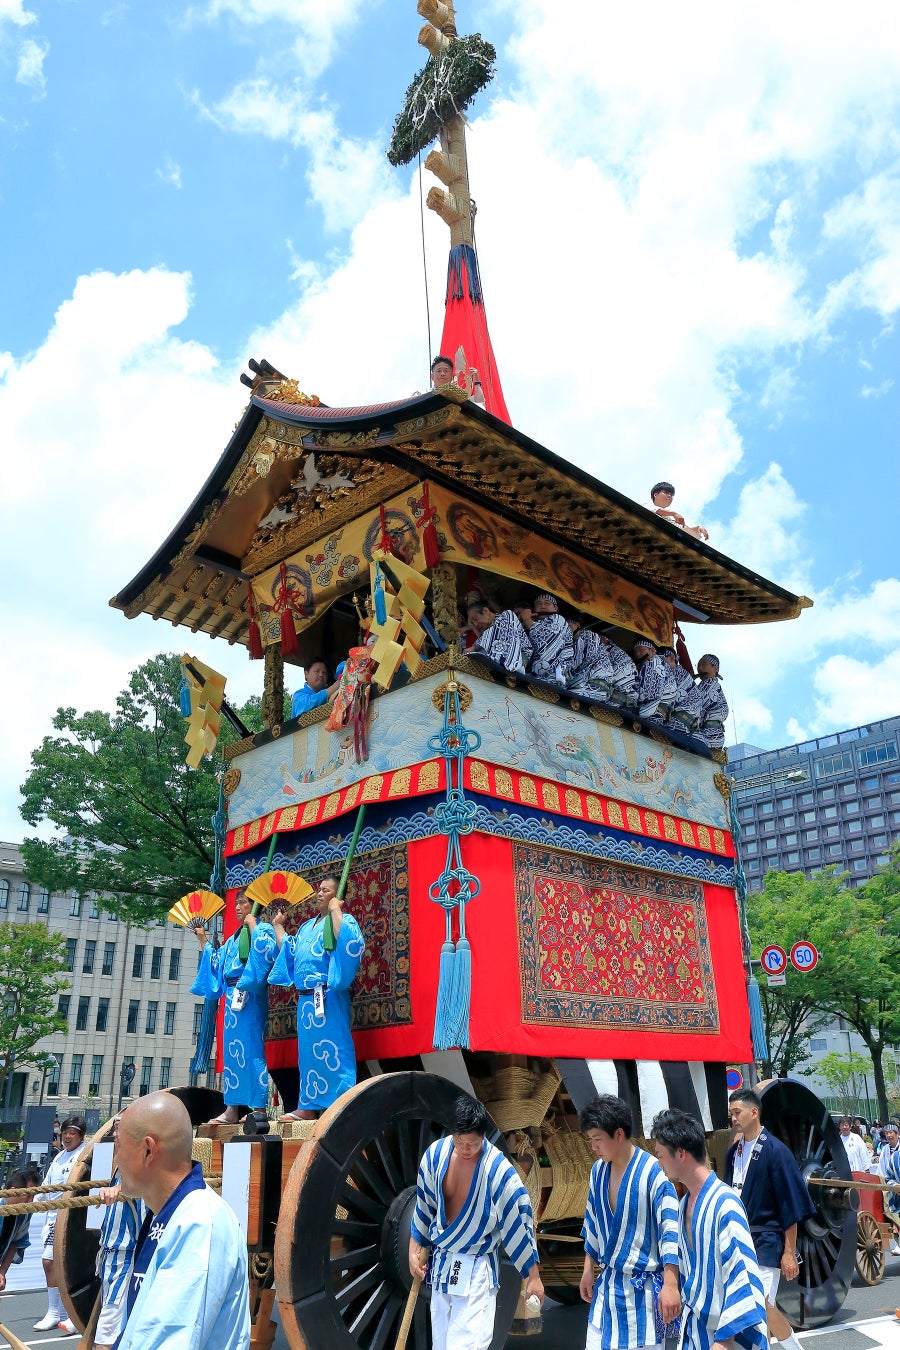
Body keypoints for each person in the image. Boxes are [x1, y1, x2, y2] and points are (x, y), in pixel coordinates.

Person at [112, 1091, 249, 1350]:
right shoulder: (171, 1213)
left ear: (148, 1150)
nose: (116, 1160)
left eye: (119, 1147)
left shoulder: (199, 1223)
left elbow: (169, 1340)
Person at [410, 1093, 543, 1350]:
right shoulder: (435, 1156)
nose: (466, 1148)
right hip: (442, 1267)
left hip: (476, 1270)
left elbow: (519, 1222)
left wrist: (533, 1276)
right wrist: (414, 1247)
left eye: (472, 1143)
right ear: (452, 1134)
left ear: (483, 1136)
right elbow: (423, 1206)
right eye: (460, 1141)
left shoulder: (498, 1171)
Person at [652, 1108, 767, 1350]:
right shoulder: (684, 1204)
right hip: (695, 1331)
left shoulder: (725, 1203)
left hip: (723, 1336)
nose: (659, 1163)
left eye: (661, 1155)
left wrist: (724, 1341)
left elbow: (742, 1274)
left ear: (681, 1153)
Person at [579, 1094, 680, 1350]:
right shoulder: (597, 1171)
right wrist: (587, 1269)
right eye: (590, 1140)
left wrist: (670, 1284)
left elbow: (671, 1232)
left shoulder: (654, 1173)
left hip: (642, 1296)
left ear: (619, 1134)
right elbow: (592, 1222)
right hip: (608, 1289)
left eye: (598, 1139)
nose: (594, 1147)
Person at [269, 874, 365, 1120]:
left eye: (326, 890)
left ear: (337, 896)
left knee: (335, 1049)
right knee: (309, 1054)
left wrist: (336, 911)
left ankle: (340, 1103)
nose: (319, 893)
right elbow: (289, 951)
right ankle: (308, 1105)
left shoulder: (345, 920)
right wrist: (278, 926)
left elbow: (351, 944)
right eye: (319, 890)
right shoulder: (305, 927)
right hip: (306, 1002)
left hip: (329, 997)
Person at [725, 1089, 814, 1350]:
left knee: (759, 1304)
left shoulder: (776, 1151)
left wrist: (788, 1251)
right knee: (761, 1304)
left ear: (754, 1113)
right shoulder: (734, 1154)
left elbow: (790, 1204)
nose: (733, 1118)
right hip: (740, 1238)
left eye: (737, 1112)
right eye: (731, 1114)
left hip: (766, 1239)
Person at [191, 888, 278, 1124]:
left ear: (254, 905)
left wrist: (254, 925)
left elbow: (268, 954)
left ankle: (259, 1107)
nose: (238, 908)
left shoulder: (263, 929)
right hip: (231, 1001)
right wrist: (203, 940)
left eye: (243, 903)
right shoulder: (233, 938)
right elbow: (218, 964)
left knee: (251, 1051)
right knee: (232, 1054)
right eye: (237, 904)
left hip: (249, 997)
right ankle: (232, 1107)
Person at [95, 1116, 147, 1350]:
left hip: (125, 1256)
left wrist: (121, 1189)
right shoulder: (120, 1163)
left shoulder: (139, 1168)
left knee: (107, 1331)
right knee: (115, 1321)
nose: (114, 1134)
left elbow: (142, 1191)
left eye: (119, 1130)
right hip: (110, 1256)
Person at [34, 1114, 86, 1334]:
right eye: (64, 1133)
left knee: (69, 1266)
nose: (67, 1137)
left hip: (74, 1217)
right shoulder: (60, 1157)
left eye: (71, 1133)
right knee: (49, 1262)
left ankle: (74, 1312)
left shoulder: (84, 1155)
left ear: (80, 1136)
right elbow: (48, 1184)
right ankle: (54, 1311)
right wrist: (34, 1200)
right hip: (54, 1217)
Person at [0, 1163, 42, 1292]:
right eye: (28, 1195)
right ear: (13, 1191)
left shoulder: (24, 1214)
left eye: (33, 1196)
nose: (31, 1201)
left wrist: (2, 1273)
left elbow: (15, 1243)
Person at [470, 600, 534, 675]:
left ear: (486, 611)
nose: (475, 624)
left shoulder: (507, 615)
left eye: (475, 619)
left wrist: (475, 647)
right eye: (472, 623)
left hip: (520, 664)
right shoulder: (485, 635)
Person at [528, 593, 575, 682]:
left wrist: (527, 618)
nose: (542, 606)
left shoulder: (558, 619)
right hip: (539, 677)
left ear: (555, 608)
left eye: (547, 603)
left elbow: (544, 643)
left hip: (554, 678)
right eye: (538, 604)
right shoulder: (538, 624)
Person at [633, 639, 677, 725]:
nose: (637, 654)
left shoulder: (654, 663)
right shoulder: (653, 663)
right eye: (636, 652)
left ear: (652, 650)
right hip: (659, 713)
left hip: (653, 714)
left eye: (641, 650)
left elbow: (650, 696)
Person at [659, 646, 702, 734]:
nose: (659, 664)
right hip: (689, 724)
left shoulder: (677, 674)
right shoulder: (681, 673)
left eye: (661, 660)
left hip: (681, 722)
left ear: (671, 658)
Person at [695, 655, 729, 749]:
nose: (699, 667)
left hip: (713, 734)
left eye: (704, 664)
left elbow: (695, 704)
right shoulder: (703, 684)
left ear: (715, 668)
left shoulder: (712, 685)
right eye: (698, 665)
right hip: (703, 730)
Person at [877, 1120, 900, 1254]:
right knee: (890, 1212)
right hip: (895, 1192)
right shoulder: (891, 1154)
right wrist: (895, 1186)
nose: (889, 1135)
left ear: (898, 1134)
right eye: (886, 1133)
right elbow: (886, 1175)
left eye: (891, 1132)